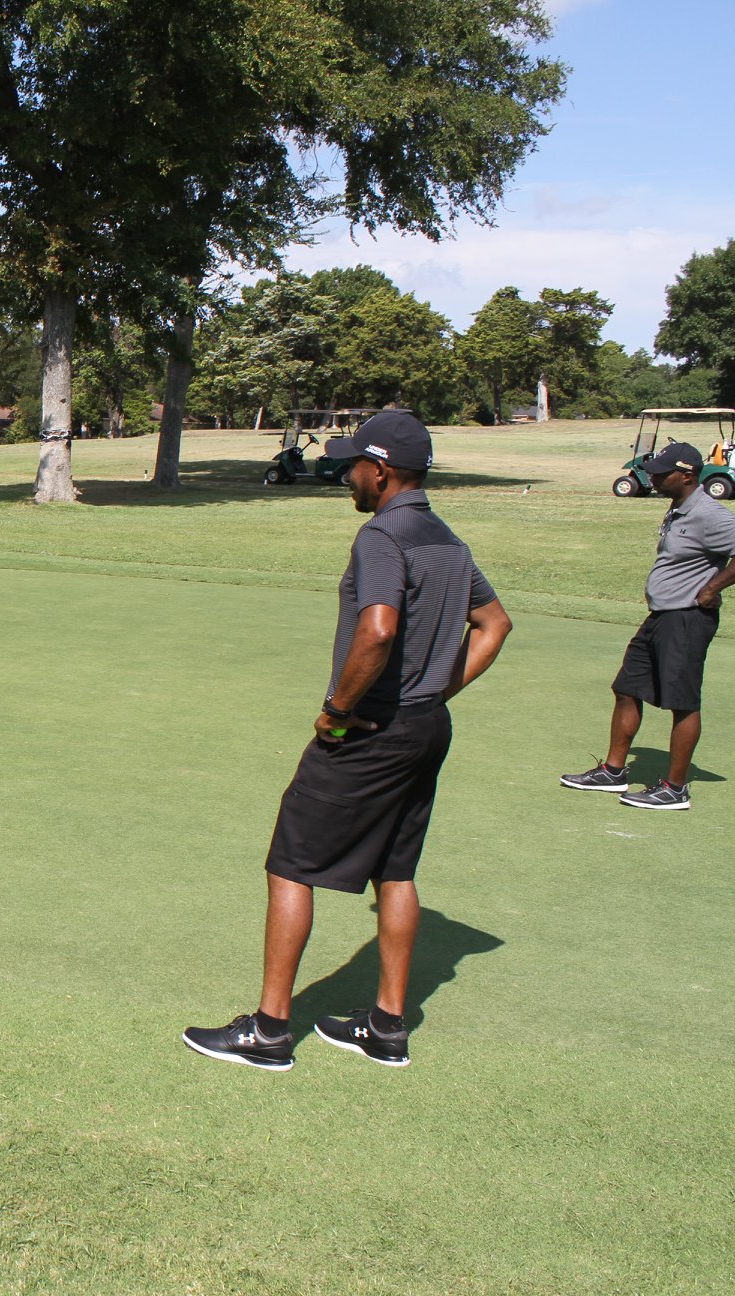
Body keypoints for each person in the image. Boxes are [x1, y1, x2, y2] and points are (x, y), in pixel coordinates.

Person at [183, 410, 512, 1070]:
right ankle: (387, 1027)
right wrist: (435, 694)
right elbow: (495, 625)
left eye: (354, 463)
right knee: (395, 870)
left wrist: (337, 708)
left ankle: (270, 1032)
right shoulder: (449, 541)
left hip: (370, 730)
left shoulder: (381, 536)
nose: (346, 473)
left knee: (290, 864)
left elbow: (380, 628)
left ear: (382, 471)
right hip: (424, 728)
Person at [560, 442, 735, 810]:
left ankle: (675, 788)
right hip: (661, 616)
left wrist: (711, 588)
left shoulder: (709, 514)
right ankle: (613, 771)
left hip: (687, 618)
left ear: (687, 476)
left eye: (661, 472)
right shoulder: (678, 509)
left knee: (682, 703)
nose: (652, 477)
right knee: (626, 688)